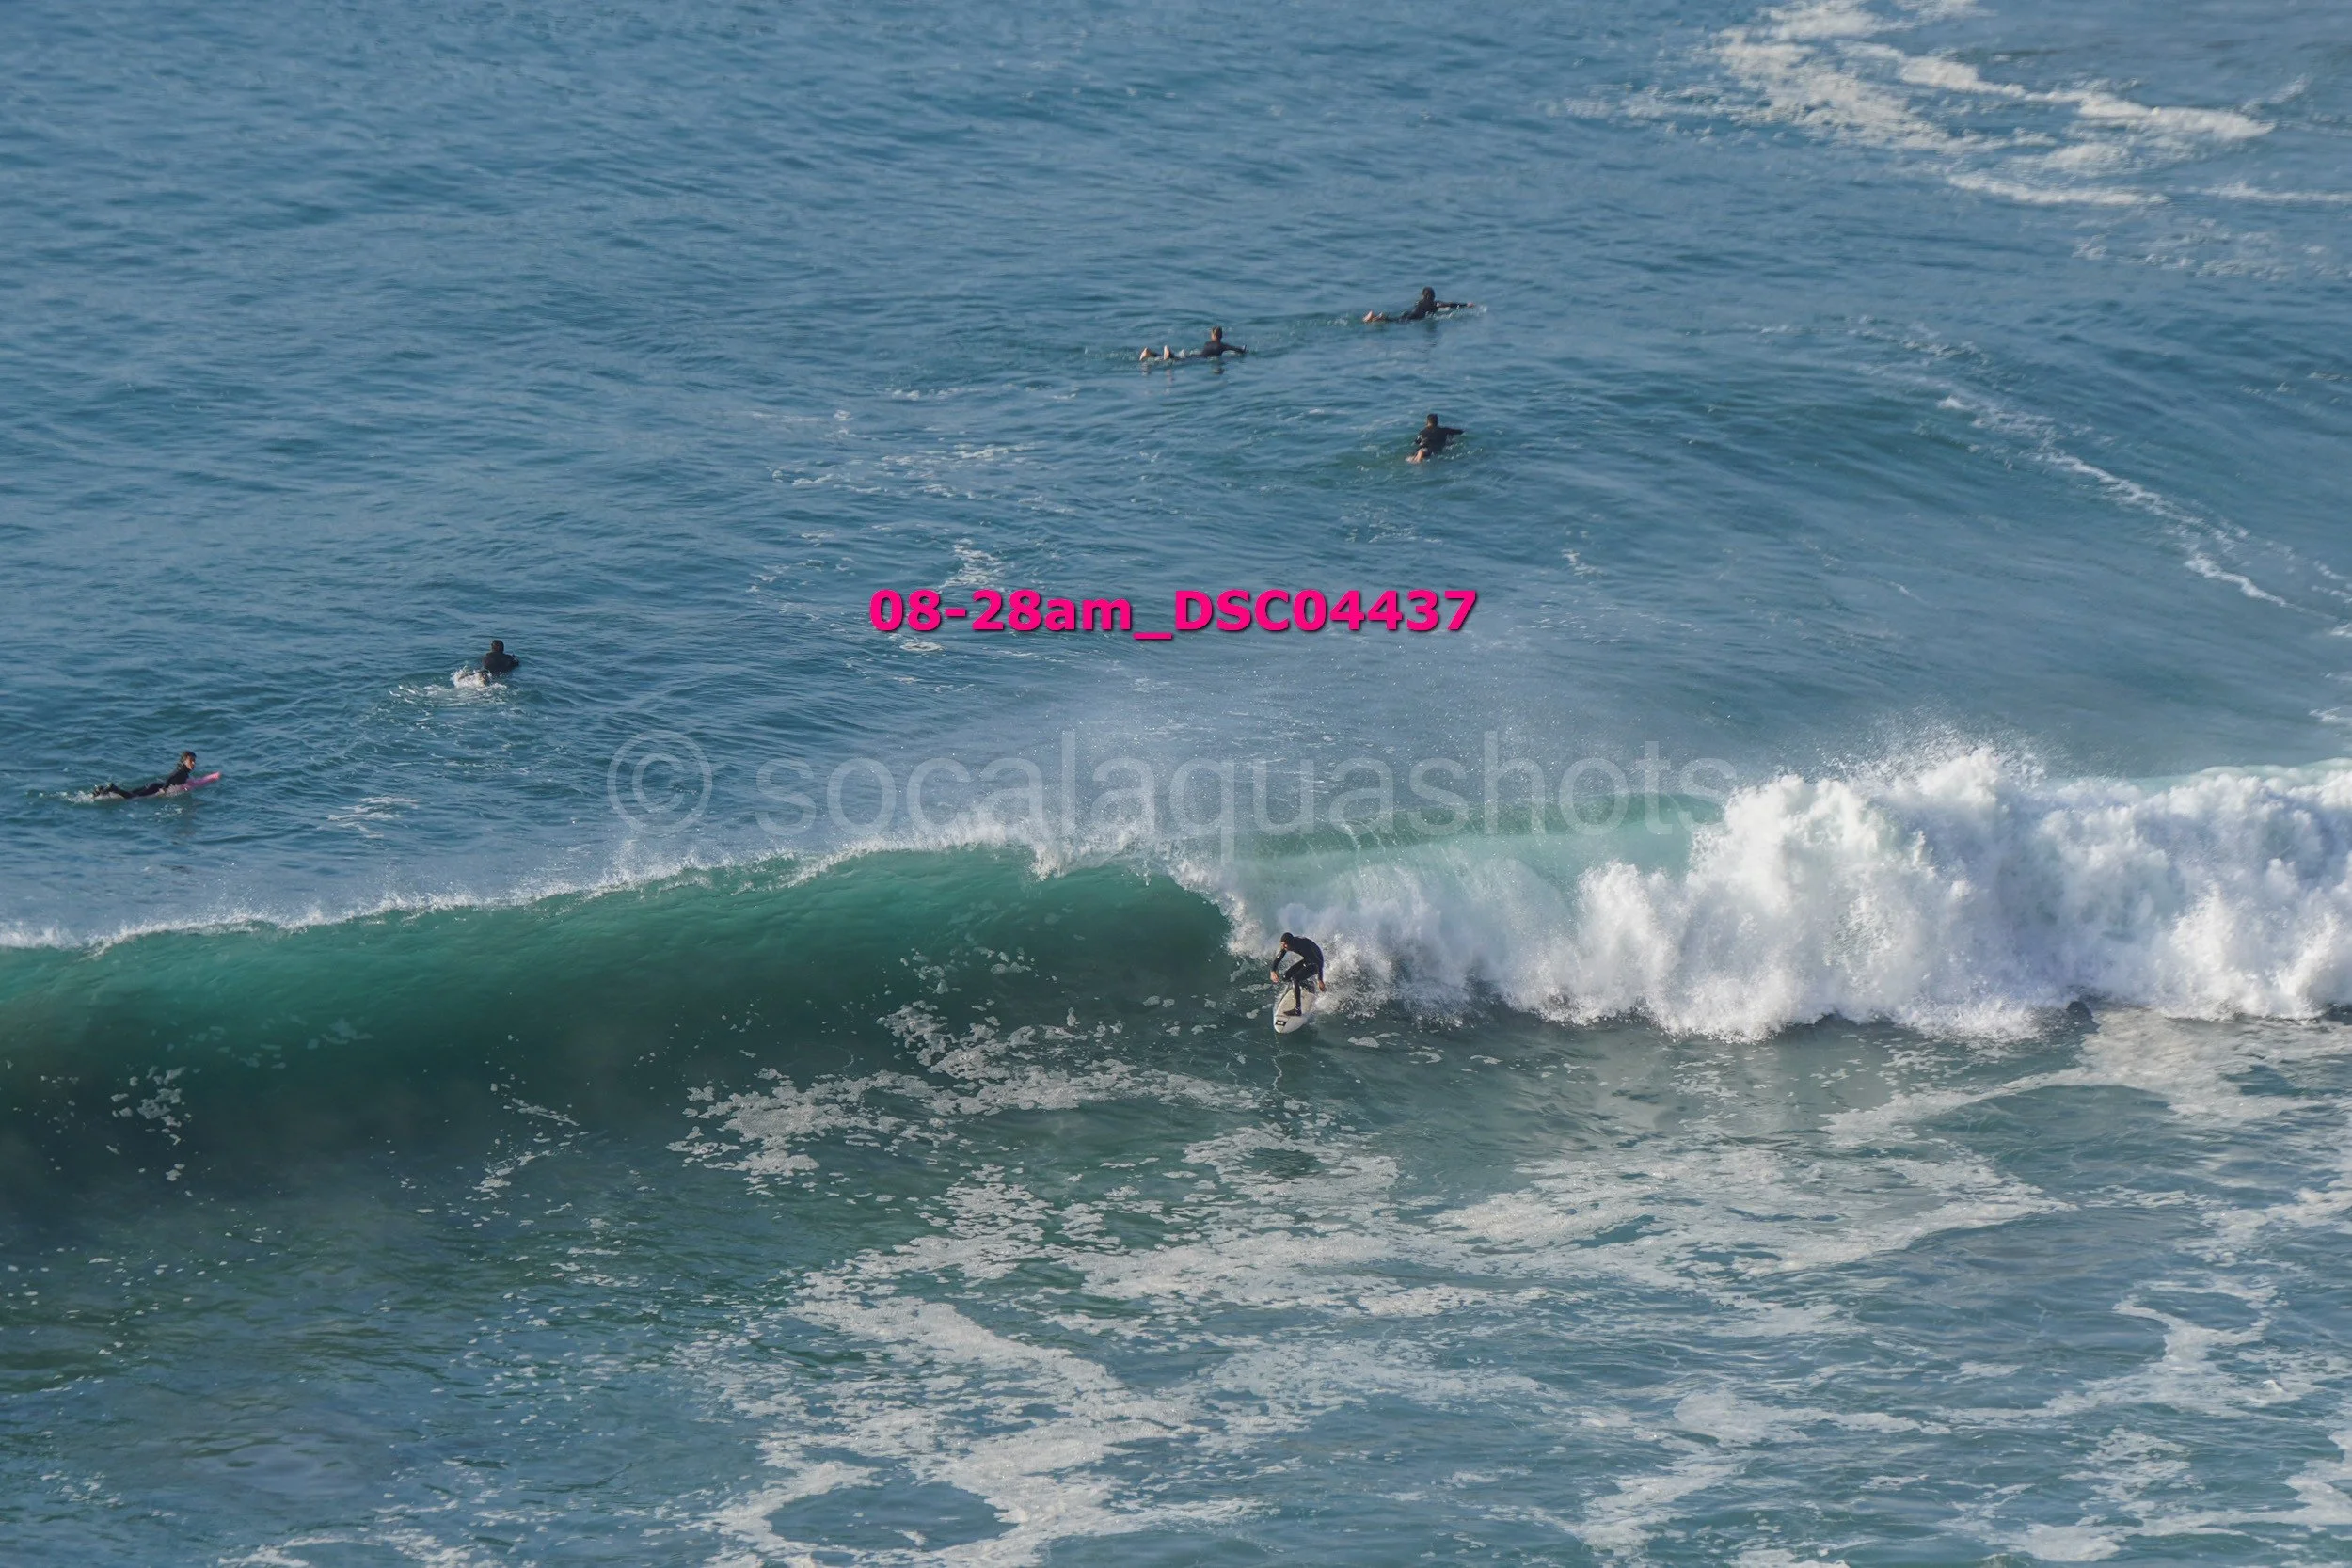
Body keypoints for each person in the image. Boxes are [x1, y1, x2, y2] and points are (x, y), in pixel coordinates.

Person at [97, 752, 197, 800]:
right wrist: (164, 789)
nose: (193, 763)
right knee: (132, 797)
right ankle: (114, 789)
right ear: (184, 761)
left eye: (194, 761)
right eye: (191, 761)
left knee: (132, 793)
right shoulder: (181, 771)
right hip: (156, 787)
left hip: (154, 785)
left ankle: (102, 791)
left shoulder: (183, 770)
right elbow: (171, 777)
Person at [1271, 932, 1326, 1015]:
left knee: (1295, 978)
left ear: (1290, 943)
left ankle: (1297, 1010)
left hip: (1316, 963)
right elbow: (1279, 957)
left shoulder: (1304, 946)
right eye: (1282, 944)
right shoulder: (1288, 945)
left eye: (1285, 944)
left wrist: (1320, 980)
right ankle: (1308, 985)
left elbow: (1319, 963)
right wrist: (1273, 971)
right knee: (1286, 977)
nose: (1283, 946)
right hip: (1307, 960)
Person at [1365, 286, 1471, 324]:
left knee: (1397, 319)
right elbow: (1451, 304)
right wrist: (1466, 305)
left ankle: (1375, 317)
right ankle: (1380, 318)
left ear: (1422, 295)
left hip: (1410, 313)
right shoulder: (1435, 304)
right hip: (1416, 318)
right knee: (1395, 322)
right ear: (1433, 296)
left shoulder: (1418, 302)